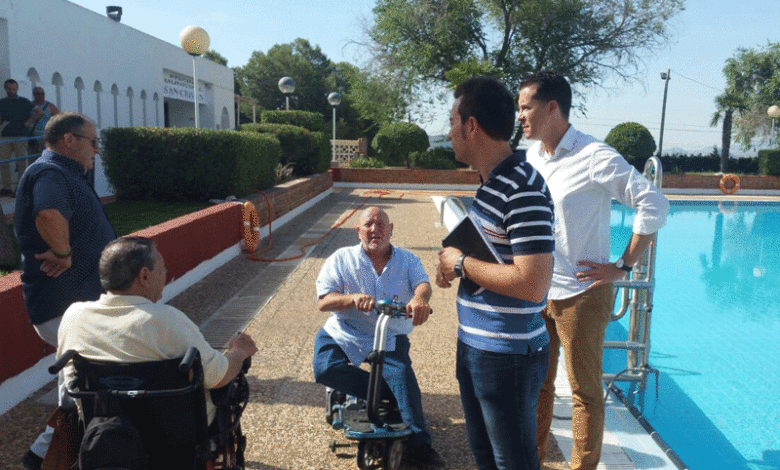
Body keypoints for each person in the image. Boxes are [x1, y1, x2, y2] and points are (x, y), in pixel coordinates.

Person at [518, 71, 669, 470]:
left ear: (552, 107)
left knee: (584, 392)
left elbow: (654, 203)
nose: (520, 116)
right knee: (537, 386)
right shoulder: (533, 157)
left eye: (526, 107)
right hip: (537, 290)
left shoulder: (594, 156)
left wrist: (622, 266)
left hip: (581, 294)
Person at [436, 76, 555, 470]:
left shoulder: (522, 188)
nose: (449, 132)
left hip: (508, 356)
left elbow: (533, 284)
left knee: (514, 463)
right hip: (478, 345)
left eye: (453, 121)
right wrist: (457, 262)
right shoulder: (491, 185)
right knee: (486, 457)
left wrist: (461, 263)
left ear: (471, 126)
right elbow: (499, 258)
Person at [57, 236, 258, 424]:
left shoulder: (74, 316)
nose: (165, 275)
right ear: (145, 276)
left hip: (103, 430)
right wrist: (239, 351)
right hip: (175, 434)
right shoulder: (166, 320)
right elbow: (219, 377)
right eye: (162, 268)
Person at [14, 112, 116, 470]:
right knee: (90, 383)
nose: (96, 150)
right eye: (93, 142)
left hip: (72, 304)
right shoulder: (50, 173)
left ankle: (46, 456)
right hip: (62, 305)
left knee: (76, 385)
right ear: (69, 140)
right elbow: (48, 214)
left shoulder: (65, 173)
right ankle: (49, 455)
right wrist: (63, 252)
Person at [312, 206, 445, 468]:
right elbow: (324, 301)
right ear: (358, 230)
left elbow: (423, 284)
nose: (375, 229)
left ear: (391, 229)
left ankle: (420, 447)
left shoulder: (407, 260)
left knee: (402, 378)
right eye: (369, 224)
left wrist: (419, 299)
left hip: (389, 334)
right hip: (346, 330)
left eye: (381, 224)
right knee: (325, 368)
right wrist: (351, 299)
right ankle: (390, 392)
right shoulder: (341, 258)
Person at [0, 79, 34, 195]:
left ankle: (21, 187)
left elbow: (39, 112)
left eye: (14, 88)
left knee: (21, 163)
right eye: (9, 88)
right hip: (5, 136)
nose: (11, 91)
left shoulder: (24, 102)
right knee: (3, 162)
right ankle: (7, 187)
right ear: (5, 88)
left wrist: (29, 122)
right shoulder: (2, 102)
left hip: (20, 136)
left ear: (17, 89)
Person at [28, 86, 60, 154]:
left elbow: (59, 120)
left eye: (42, 94)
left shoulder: (50, 106)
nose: (41, 96)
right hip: (31, 138)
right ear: (34, 95)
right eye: (38, 94)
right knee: (32, 156)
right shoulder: (29, 105)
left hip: (44, 138)